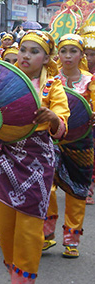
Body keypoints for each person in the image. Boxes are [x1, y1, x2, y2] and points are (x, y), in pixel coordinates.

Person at [0, 31, 70, 284]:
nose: (26, 56)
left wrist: (53, 117)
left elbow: (62, 127)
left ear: (46, 58)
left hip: (36, 161)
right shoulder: (3, 78)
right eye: (23, 50)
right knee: (4, 224)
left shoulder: (53, 86)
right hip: (3, 155)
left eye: (34, 52)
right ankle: (15, 276)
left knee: (29, 229)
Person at [42, 34, 94, 259]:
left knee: (77, 190)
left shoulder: (90, 81)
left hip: (81, 142)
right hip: (52, 140)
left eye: (73, 51)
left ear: (82, 55)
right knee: (46, 186)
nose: (68, 56)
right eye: (64, 51)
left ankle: (72, 240)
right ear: (58, 54)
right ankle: (46, 233)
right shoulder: (50, 80)